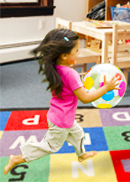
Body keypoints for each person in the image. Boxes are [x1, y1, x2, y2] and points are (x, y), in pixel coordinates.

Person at [4, 28, 120, 175]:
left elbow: (72, 86)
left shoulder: (55, 67)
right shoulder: (70, 73)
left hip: (61, 114)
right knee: (49, 147)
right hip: (61, 120)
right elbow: (85, 98)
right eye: (77, 50)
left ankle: (81, 154)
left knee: (78, 134)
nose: (79, 53)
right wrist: (106, 88)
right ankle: (17, 159)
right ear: (64, 55)